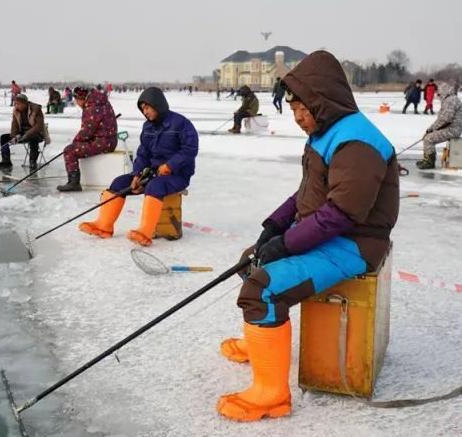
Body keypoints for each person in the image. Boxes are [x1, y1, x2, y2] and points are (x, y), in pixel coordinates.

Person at [216, 51, 399, 422]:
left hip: (355, 243)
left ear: (322, 101)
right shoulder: (326, 131)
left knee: (262, 287)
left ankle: (271, 395)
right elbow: (306, 193)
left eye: (303, 109)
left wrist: (286, 244)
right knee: (251, 259)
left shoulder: (357, 143)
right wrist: (275, 226)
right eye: (293, 109)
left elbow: (341, 214)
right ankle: (261, 341)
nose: (298, 118)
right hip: (330, 230)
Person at [79, 87, 199, 246]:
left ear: (158, 104)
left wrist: (170, 166)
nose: (145, 112)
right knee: (119, 183)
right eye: (142, 109)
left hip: (177, 175)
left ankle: (145, 232)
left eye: (147, 107)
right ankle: (103, 225)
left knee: (155, 186)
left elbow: (189, 150)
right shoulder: (147, 127)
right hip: (152, 173)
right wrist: (137, 175)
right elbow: (143, 154)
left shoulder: (181, 124)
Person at [56, 87, 118, 192]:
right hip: (109, 141)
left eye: (76, 100)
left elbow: (87, 131)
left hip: (103, 142)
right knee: (74, 148)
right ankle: (73, 181)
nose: (77, 103)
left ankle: (74, 183)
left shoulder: (91, 107)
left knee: (69, 151)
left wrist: (75, 143)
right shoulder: (101, 102)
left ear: (81, 98)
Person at [416, 82, 462, 169]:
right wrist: (431, 128)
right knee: (428, 136)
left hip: (452, 129)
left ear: (444, 91)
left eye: (439, 94)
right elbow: (442, 119)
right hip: (451, 128)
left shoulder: (450, 100)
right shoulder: (450, 99)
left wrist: (432, 129)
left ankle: (429, 162)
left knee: (428, 139)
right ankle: (428, 159)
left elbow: (446, 119)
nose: (438, 96)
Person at [0, 94, 46, 170]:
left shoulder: (36, 109)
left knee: (33, 139)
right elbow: (14, 125)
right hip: (22, 133)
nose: (16, 105)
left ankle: (33, 162)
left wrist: (26, 135)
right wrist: (15, 136)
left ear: (24, 103)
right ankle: (6, 161)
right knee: (4, 137)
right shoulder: (16, 111)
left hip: (37, 133)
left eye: (18, 104)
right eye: (15, 103)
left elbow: (38, 127)